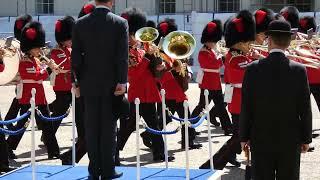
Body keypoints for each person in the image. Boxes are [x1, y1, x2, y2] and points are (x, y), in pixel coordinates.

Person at [240, 20, 312, 180]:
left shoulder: (253, 69)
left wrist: (243, 136)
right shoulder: (300, 70)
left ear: (269, 41)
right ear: (288, 43)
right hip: (290, 138)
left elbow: (246, 106)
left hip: (260, 137)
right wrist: (306, 137)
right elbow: (305, 108)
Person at [71, 0, 128, 179]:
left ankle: (93, 171)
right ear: (111, 2)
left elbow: (76, 56)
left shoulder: (80, 23)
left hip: (88, 83)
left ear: (95, 1)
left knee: (91, 127)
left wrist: (76, 81)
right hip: (111, 83)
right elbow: (122, 56)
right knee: (109, 128)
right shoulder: (120, 23)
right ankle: (108, 169)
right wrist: (122, 81)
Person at [200, 10, 256, 170]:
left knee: (240, 136)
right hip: (239, 103)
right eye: (248, 42)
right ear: (240, 42)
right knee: (239, 137)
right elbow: (244, 78)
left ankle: (225, 158)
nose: (250, 45)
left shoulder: (240, 55)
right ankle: (212, 164)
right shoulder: (236, 57)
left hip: (241, 102)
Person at [117, 8, 174, 162]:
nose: (133, 37)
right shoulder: (126, 51)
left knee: (144, 124)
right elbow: (134, 73)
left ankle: (158, 153)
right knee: (142, 125)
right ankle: (158, 153)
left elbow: (157, 65)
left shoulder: (143, 46)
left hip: (149, 90)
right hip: (139, 92)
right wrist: (148, 57)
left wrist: (161, 63)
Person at [6, 21, 60, 159]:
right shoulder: (24, 62)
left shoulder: (36, 60)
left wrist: (51, 66)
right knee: (22, 126)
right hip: (28, 98)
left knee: (48, 125)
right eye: (37, 48)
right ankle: (7, 149)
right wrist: (48, 68)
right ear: (29, 48)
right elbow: (37, 76)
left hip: (40, 98)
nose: (40, 51)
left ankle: (53, 152)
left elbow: (40, 75)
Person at [192, 20, 233, 136]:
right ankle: (190, 125)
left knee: (220, 106)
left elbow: (221, 64)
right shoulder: (203, 52)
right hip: (207, 83)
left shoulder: (212, 51)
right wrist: (221, 55)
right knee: (202, 106)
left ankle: (227, 127)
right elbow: (215, 64)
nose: (213, 43)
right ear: (206, 41)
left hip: (215, 82)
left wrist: (221, 55)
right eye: (211, 41)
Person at [49, 16, 75, 133]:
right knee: (61, 110)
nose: (72, 41)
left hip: (69, 85)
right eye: (70, 39)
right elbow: (64, 66)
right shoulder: (56, 51)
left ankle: (48, 133)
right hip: (61, 85)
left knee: (61, 109)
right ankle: (48, 133)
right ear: (63, 39)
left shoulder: (69, 50)